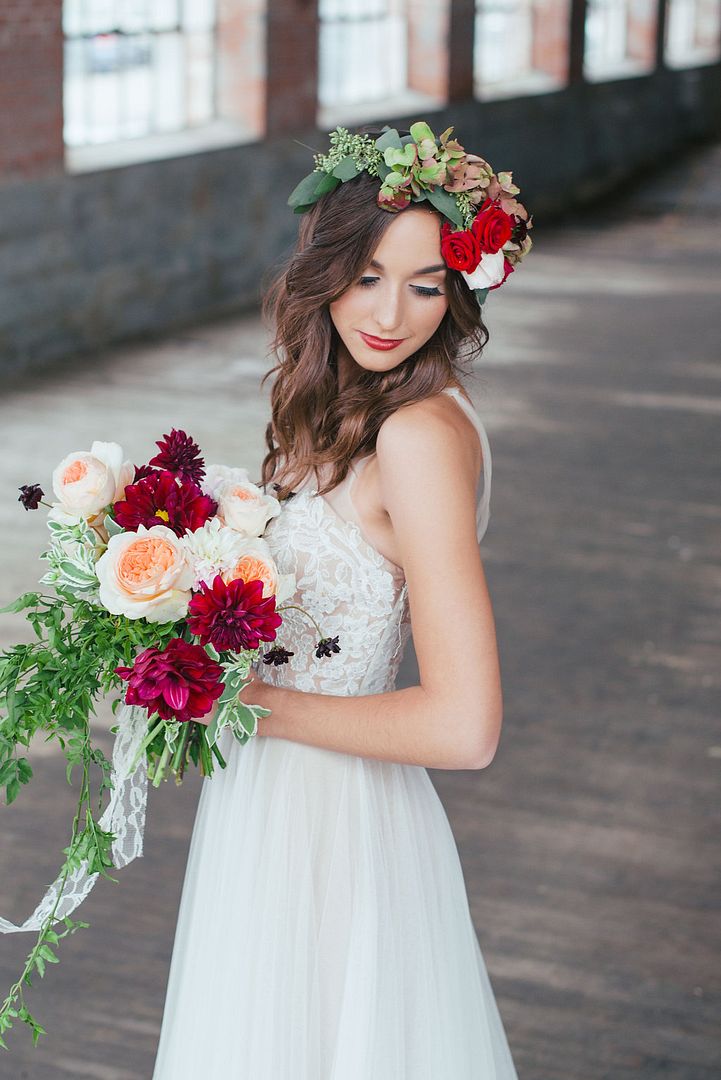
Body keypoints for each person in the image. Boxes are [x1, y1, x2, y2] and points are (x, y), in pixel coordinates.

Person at [151, 120, 531, 1078]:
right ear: (323, 271)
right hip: (276, 801)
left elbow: (464, 726)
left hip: (335, 820)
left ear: (461, 291)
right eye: (366, 275)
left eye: (425, 284)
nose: (391, 313)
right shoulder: (341, 408)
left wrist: (251, 706)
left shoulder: (416, 436)